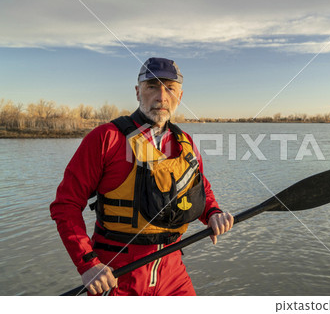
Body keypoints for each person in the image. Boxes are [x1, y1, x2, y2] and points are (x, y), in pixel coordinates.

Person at [50, 57, 234, 296]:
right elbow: (66, 204)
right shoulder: (106, 138)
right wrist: (87, 263)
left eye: (170, 88)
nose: (162, 96)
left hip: (173, 274)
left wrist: (213, 213)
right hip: (116, 275)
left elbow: (200, 187)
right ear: (138, 92)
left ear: (180, 96)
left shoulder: (185, 142)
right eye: (152, 86)